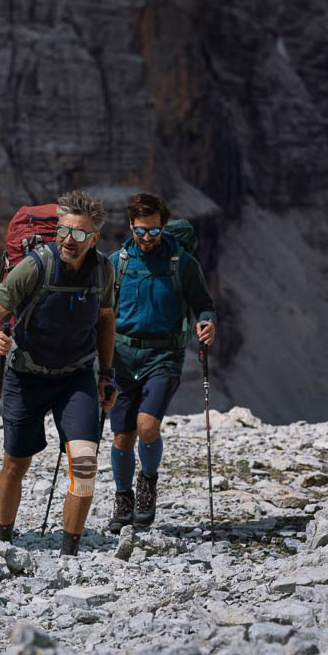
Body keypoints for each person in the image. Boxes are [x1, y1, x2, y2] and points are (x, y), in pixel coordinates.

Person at [0, 191, 117, 556]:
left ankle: (70, 552)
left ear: (94, 239)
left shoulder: (103, 270)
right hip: (26, 375)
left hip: (76, 377)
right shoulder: (35, 266)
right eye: (63, 231)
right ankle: (3, 540)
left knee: (84, 465)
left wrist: (106, 374)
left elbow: (105, 320)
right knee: (16, 463)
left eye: (79, 234)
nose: (69, 240)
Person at [107, 192, 217, 532]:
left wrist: (207, 321)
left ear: (163, 227)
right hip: (122, 358)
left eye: (154, 231)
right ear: (130, 225)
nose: (147, 238)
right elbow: (103, 309)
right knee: (122, 436)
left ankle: (148, 484)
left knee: (147, 426)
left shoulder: (182, 262)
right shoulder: (117, 262)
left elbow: (204, 303)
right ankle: (123, 497)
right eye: (141, 230)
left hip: (164, 355)